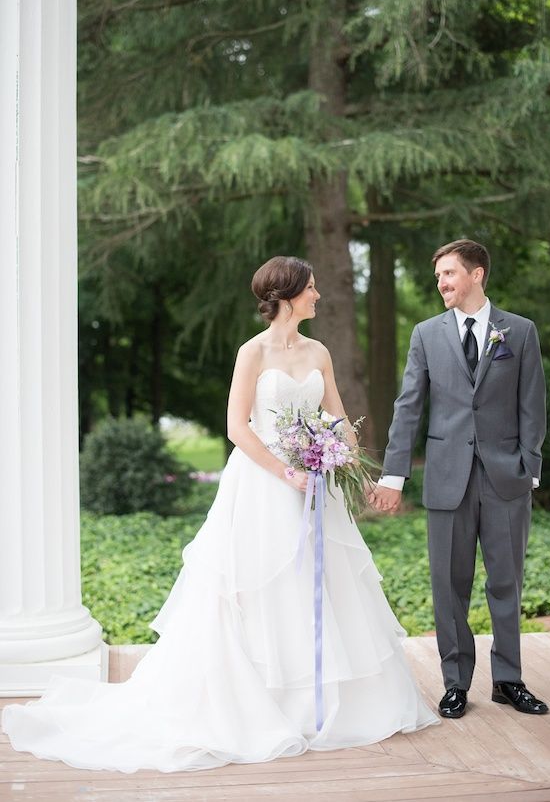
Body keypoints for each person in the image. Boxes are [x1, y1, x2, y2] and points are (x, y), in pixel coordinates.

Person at [2, 255, 438, 773]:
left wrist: (344, 454)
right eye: (312, 288)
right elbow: (237, 427)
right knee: (263, 586)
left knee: (318, 584)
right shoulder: (252, 352)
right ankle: (264, 706)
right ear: (288, 293)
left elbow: (339, 414)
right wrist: (285, 471)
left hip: (317, 484)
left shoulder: (319, 350)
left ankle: (318, 706)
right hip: (264, 484)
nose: (319, 296)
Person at [371, 239, 548, 720]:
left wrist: (528, 467)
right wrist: (393, 474)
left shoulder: (520, 331)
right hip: (447, 479)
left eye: (449, 274)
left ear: (477, 274)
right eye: (438, 277)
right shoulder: (426, 334)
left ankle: (509, 680)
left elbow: (533, 405)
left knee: (506, 581)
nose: (442, 284)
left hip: (505, 478)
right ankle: (455, 683)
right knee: (450, 585)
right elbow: (408, 407)